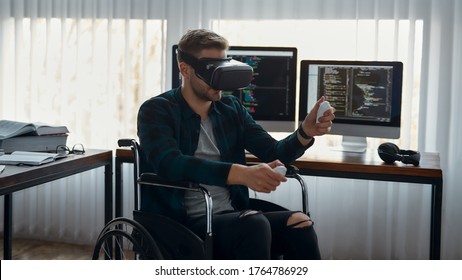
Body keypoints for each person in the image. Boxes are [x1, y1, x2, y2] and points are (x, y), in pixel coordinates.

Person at [137, 29, 335, 260]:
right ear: (185, 69)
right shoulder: (157, 110)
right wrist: (239, 174)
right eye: (211, 70)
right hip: (181, 223)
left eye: (224, 68)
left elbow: (273, 151)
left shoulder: (230, 109)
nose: (220, 79)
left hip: (234, 212)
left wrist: (304, 132)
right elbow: (169, 163)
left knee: (299, 224)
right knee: (254, 224)